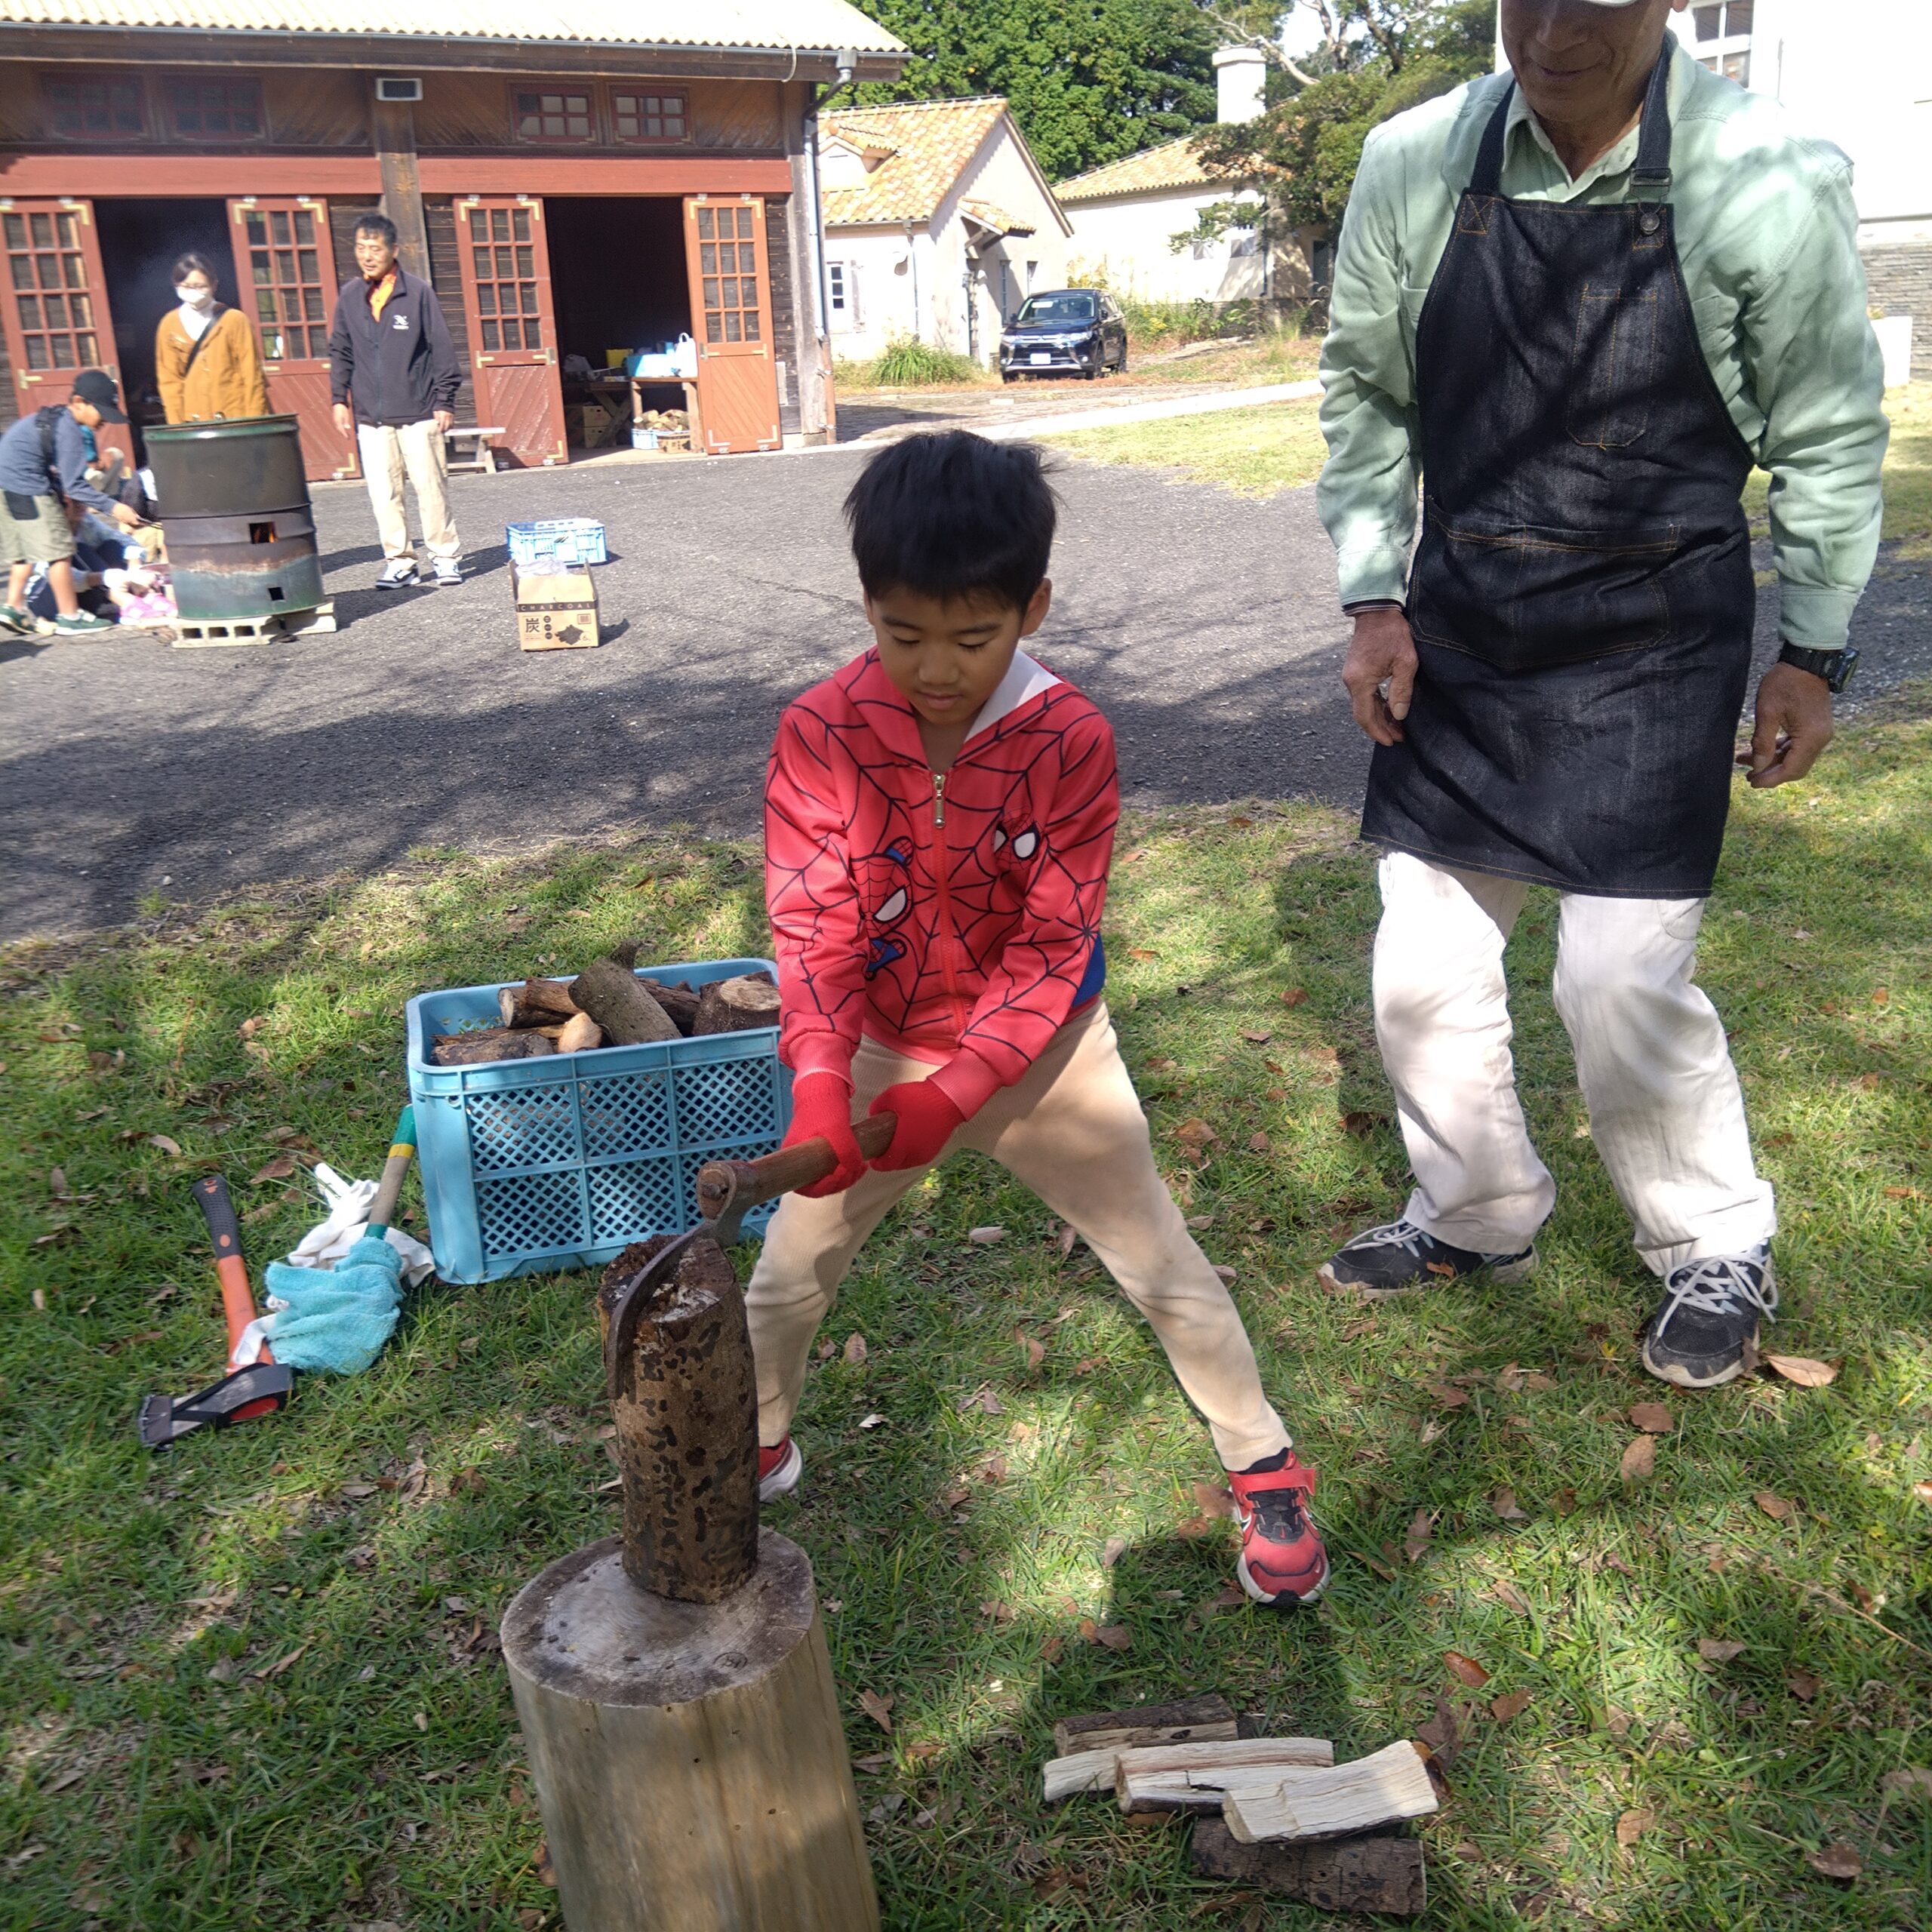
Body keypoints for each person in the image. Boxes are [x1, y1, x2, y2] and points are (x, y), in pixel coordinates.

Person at [1314, 0, 1887, 1389]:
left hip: (1656, 624)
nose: (1554, 28)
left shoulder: (1759, 174)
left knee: (1619, 980)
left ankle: (1713, 1242)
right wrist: (1374, 595)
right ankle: (1478, 1209)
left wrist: (1812, 651)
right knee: (1420, 965)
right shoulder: (1417, 162)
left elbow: (1825, 425)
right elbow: (1367, 392)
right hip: (1466, 616)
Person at [746, 430, 1330, 1608]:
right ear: (868, 605)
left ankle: (1261, 1461)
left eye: (975, 637)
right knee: (785, 1278)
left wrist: (965, 1087)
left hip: (1044, 1058)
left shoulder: (1072, 740)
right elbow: (814, 923)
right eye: (904, 635)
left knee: (1158, 1259)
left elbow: (1052, 941)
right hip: (872, 1050)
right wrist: (824, 1081)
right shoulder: (820, 729)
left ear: (1035, 608)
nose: (938, 669)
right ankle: (754, 1439)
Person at [328, 212, 463, 589]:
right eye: (360, 248)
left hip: (419, 411)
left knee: (430, 488)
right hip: (372, 417)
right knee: (384, 493)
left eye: (375, 248)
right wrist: (340, 398)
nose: (367, 256)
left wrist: (445, 400)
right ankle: (400, 561)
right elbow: (340, 348)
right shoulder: (351, 295)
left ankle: (445, 557)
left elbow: (442, 349)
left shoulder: (417, 292)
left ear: (393, 251)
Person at [0, 369, 145, 635]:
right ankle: (70, 616)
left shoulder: (56, 419)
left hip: (6, 485)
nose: (104, 420)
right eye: (101, 411)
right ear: (79, 402)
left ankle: (13, 607)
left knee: (25, 551)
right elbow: (75, 485)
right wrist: (115, 508)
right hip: (27, 485)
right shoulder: (70, 430)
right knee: (60, 552)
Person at [155, 253, 269, 424]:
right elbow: (170, 382)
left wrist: (254, 423)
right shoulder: (169, 325)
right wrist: (178, 428)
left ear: (213, 285)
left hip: (235, 419)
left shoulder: (234, 320)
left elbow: (252, 376)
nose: (193, 292)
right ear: (176, 286)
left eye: (200, 286)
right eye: (186, 286)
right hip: (194, 423)